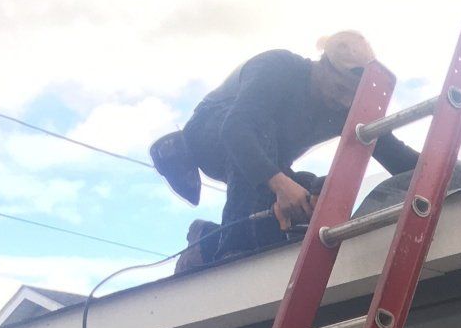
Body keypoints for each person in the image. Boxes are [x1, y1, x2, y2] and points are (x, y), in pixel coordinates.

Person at [150, 32, 418, 264]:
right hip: (210, 134)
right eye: (339, 88)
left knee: (312, 190)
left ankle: (207, 242)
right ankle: (232, 246)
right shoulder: (280, 67)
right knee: (261, 138)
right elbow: (236, 129)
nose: (343, 101)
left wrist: (446, 173)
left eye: (352, 95)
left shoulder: (347, 108)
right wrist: (280, 184)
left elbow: (395, 155)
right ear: (323, 65)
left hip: (262, 160)